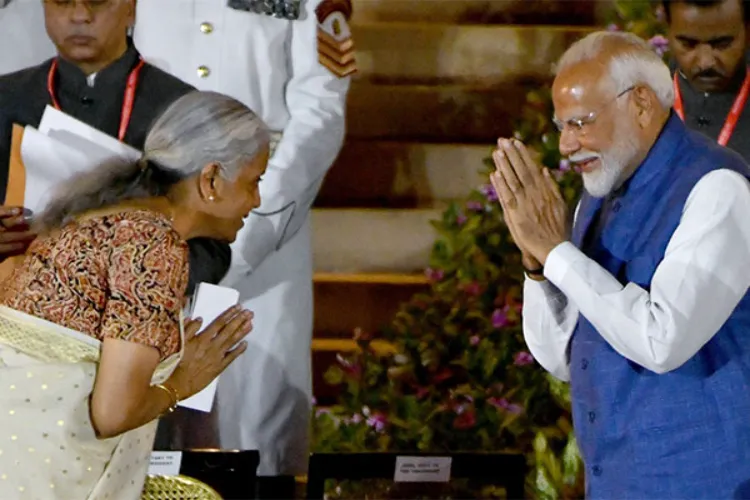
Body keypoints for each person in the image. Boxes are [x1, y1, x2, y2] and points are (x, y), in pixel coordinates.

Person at [491, 31, 750, 498]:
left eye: (581, 123)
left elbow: (662, 340)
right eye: (561, 126)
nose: (567, 145)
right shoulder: (597, 197)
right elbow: (564, 359)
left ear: (642, 105)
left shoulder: (717, 188)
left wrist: (558, 254)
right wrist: (537, 265)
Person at [0, 90, 270, 500]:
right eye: (254, 182)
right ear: (211, 179)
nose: (257, 200)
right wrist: (183, 381)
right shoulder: (152, 243)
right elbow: (113, 413)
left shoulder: (107, 219)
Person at [133, 0, 354, 489]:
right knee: (151, 413)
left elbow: (320, 107)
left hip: (267, 223)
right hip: (159, 212)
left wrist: (257, 217)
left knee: (261, 416)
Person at [0, 0, 230, 293]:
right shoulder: (7, 98)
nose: (80, 15)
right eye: (62, 1)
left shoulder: (182, 107)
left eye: (98, 1)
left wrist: (136, 270)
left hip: (130, 323)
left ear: (132, 8)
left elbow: (213, 246)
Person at [663, 0, 750, 161]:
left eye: (722, 44)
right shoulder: (638, 102)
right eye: (688, 44)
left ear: (747, 31)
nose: (705, 62)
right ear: (667, 29)